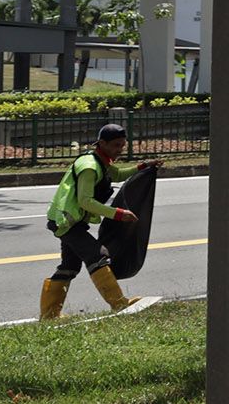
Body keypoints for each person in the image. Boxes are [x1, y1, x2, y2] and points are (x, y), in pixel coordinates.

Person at [39, 123, 155, 320]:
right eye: (116, 146)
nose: (120, 150)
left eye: (122, 145)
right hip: (67, 223)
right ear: (102, 143)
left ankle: (49, 315)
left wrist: (143, 166)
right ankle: (119, 304)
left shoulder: (101, 161)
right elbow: (86, 201)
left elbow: (117, 174)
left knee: (70, 266)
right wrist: (118, 213)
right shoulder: (90, 167)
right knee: (97, 256)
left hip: (70, 222)